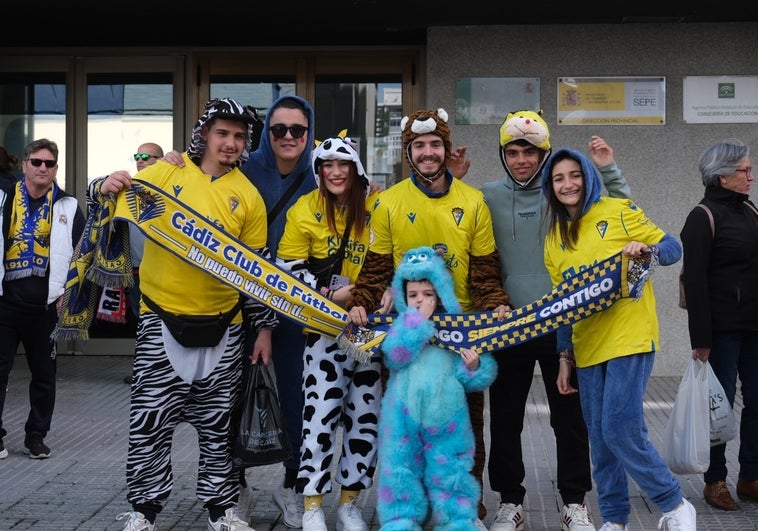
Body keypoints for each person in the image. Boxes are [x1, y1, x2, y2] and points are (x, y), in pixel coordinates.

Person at [90, 98, 276, 531]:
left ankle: (221, 509)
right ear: (204, 135)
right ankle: (144, 510)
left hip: (225, 327)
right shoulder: (166, 172)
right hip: (161, 321)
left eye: (238, 136)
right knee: (150, 424)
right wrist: (106, 182)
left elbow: (256, 274)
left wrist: (263, 329)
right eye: (222, 134)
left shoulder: (248, 196)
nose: (230, 143)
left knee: (219, 428)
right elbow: (106, 194)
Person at [347, 107, 511, 530]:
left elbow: (485, 270)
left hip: (460, 336)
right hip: (407, 335)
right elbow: (376, 266)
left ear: (445, 149)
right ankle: (406, 513)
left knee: (466, 428)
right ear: (408, 152)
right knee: (405, 430)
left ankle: (464, 510)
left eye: (435, 144)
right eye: (418, 146)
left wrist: (496, 305)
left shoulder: (473, 201)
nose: (427, 153)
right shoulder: (388, 203)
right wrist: (361, 300)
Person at [164, 94, 318, 528]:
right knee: (233, 401)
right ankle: (235, 485)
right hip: (237, 310)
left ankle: (291, 483)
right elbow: (197, 182)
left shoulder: (320, 176)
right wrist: (175, 159)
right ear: (266, 134)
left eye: (298, 130)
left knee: (295, 397)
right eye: (279, 129)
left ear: (309, 135)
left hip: (299, 312)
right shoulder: (242, 171)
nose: (288, 137)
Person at [480, 110, 631, 531]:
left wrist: (608, 170)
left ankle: (575, 501)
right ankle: (510, 501)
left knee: (570, 418)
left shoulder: (563, 193)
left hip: (563, 322)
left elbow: (622, 210)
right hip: (509, 323)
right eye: (513, 152)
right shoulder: (487, 194)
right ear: (503, 155)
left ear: (544, 154)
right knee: (505, 418)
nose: (522, 159)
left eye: (530, 151)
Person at [541, 147, 696, 531]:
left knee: (619, 427)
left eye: (574, 175)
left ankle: (674, 505)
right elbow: (563, 304)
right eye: (559, 178)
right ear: (550, 187)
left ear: (588, 177)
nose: (567, 184)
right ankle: (614, 519)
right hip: (588, 347)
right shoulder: (553, 239)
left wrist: (649, 250)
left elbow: (674, 248)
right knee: (601, 437)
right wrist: (564, 356)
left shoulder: (617, 209)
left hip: (630, 336)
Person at [275, 135, 380, 531]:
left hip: (369, 331)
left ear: (356, 170)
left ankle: (350, 503)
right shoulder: (304, 209)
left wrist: (363, 292)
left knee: (363, 416)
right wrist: (334, 295)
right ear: (318, 171)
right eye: (327, 166)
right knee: (318, 418)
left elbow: (388, 260)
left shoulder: (375, 207)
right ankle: (313, 503)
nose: (335, 173)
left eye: (343, 165)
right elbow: (289, 271)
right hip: (321, 332)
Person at [376, 245, 498, 529]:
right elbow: (395, 356)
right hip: (402, 416)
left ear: (441, 294)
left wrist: (475, 367)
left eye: (428, 294)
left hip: (447, 416)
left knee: (452, 471)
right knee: (399, 470)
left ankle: (456, 520)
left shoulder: (457, 329)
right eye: (414, 295)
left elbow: (475, 379)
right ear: (403, 296)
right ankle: (400, 519)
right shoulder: (401, 326)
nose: (421, 301)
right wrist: (416, 323)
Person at [680, 138, 758, 510]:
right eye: (744, 170)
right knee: (719, 407)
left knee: (757, 403)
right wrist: (702, 339)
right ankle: (715, 482)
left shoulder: (750, 211)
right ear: (722, 176)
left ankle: (750, 477)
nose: (750, 176)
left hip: (755, 328)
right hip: (722, 332)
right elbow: (695, 282)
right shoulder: (701, 216)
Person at [0, 138, 85, 460]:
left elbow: (81, 254)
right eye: (36, 162)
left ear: (56, 169)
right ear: (24, 165)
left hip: (45, 306)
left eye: (49, 164)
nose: (42, 168)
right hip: (5, 301)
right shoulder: (4, 197)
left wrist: (70, 292)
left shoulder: (69, 206)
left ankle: (36, 436)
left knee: (44, 376)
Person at [122, 142, 164, 384]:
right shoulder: (129, 189)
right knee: (141, 320)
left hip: (161, 271)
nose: (140, 160)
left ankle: (156, 371)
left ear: (158, 160)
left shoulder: (168, 189)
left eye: (146, 156)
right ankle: (143, 370)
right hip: (136, 270)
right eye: (137, 155)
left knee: (157, 320)